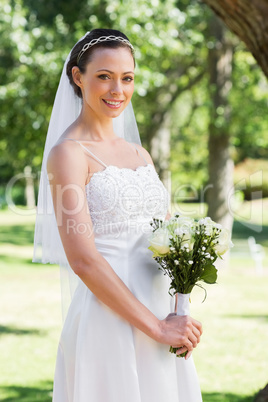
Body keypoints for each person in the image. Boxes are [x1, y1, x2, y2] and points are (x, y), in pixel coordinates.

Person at [33, 28, 203, 402]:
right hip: (110, 318)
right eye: (104, 77)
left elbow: (170, 238)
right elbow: (83, 260)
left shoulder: (139, 155)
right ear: (78, 77)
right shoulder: (68, 155)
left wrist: (179, 313)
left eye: (127, 78)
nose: (117, 91)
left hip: (163, 313)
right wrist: (156, 327)